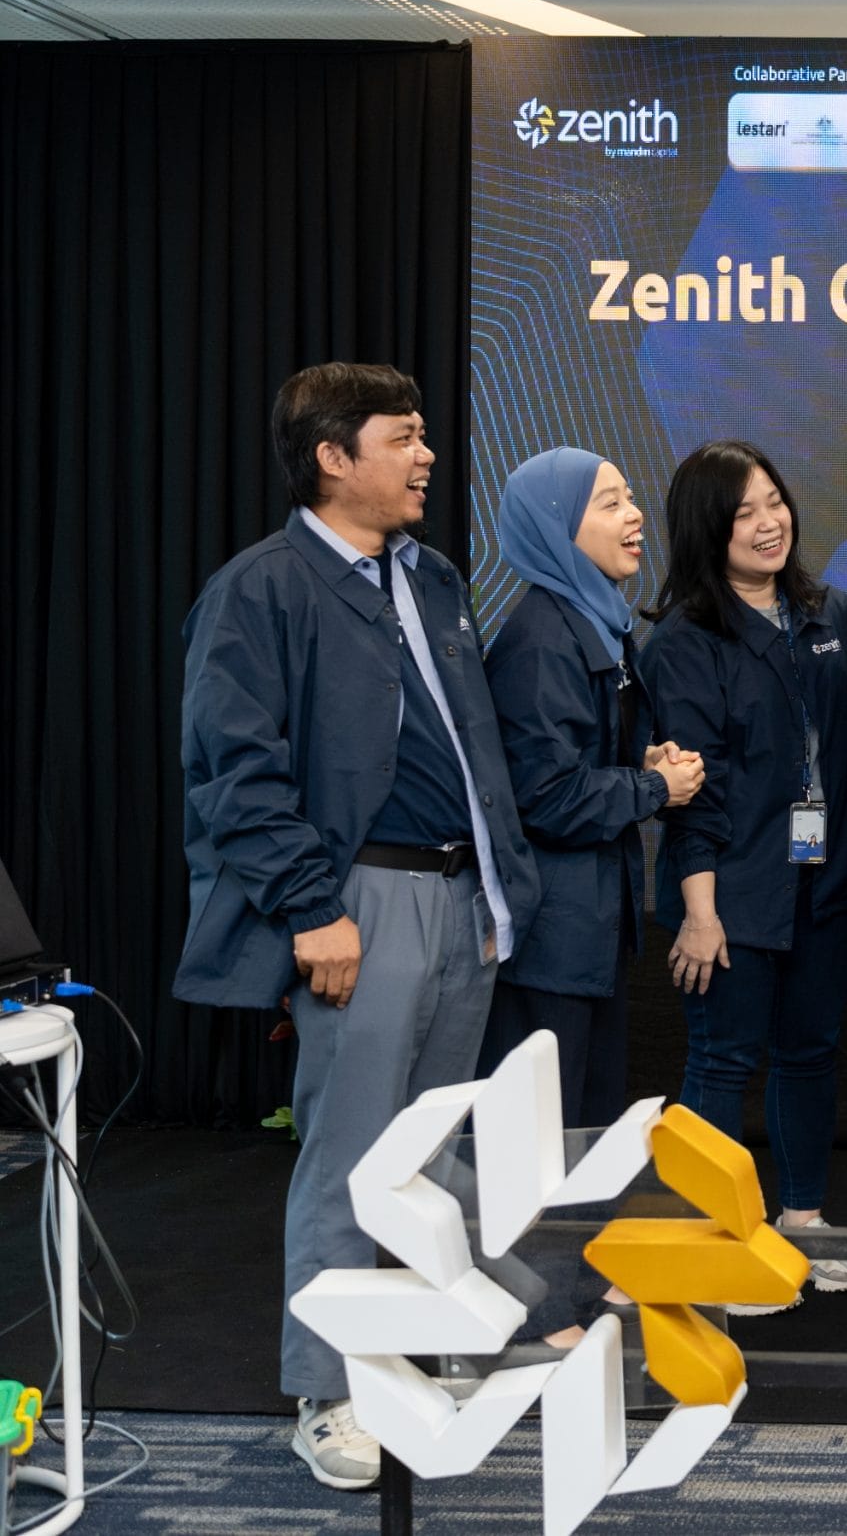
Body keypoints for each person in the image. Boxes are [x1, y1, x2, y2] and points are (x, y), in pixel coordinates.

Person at [174, 363, 540, 1490]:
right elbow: (235, 773)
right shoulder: (261, 588)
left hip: (458, 900)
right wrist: (311, 908)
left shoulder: (433, 577)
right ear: (334, 458)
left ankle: (421, 1354)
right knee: (350, 1158)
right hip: (357, 907)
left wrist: (498, 889)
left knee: (430, 1158)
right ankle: (328, 1392)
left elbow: (474, 751)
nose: (427, 456)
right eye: (404, 437)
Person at [639, 439, 847, 1314]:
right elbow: (691, 793)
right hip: (731, 893)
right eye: (744, 512)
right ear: (709, 528)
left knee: (811, 1053)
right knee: (722, 1059)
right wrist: (701, 912)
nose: (769, 523)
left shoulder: (826, 613)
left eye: (774, 501)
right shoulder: (685, 642)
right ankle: (715, 1248)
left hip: (821, 882)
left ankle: (802, 1222)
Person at [478, 448, 704, 1348]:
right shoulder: (541, 637)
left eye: (629, 497)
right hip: (550, 937)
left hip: (591, 931)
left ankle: (576, 1286)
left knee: (587, 1123)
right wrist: (653, 788)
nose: (635, 515)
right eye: (609, 502)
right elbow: (545, 796)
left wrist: (638, 765)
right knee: (539, 1133)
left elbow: (577, 762)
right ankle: (535, 1311)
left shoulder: (594, 620)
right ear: (554, 526)